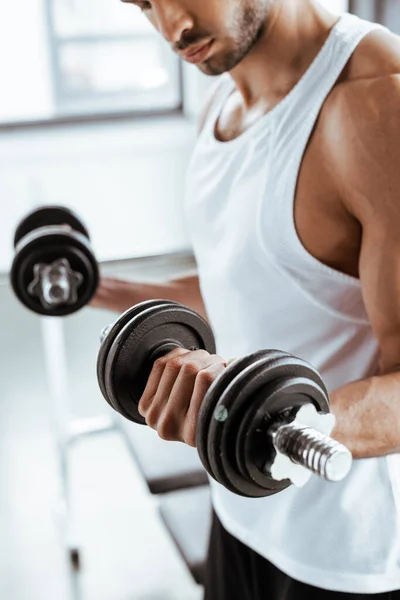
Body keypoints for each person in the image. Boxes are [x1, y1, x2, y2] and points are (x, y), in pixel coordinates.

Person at [91, 1, 400, 597]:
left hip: (345, 554)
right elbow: (247, 285)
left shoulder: (376, 103)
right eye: (143, 3)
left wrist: (276, 423)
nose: (171, 28)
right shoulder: (225, 101)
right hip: (239, 509)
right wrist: (100, 289)